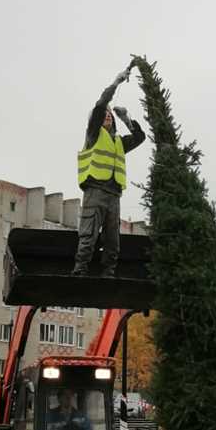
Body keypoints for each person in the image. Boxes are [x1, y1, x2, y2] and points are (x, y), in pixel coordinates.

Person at [72, 65, 145, 277]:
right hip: (95, 191)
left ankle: (108, 272)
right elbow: (101, 103)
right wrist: (116, 82)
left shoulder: (118, 142)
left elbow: (140, 138)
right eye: (105, 116)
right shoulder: (94, 135)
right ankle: (80, 270)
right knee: (89, 234)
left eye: (110, 116)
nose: (108, 117)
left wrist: (127, 119)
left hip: (114, 195)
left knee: (113, 238)